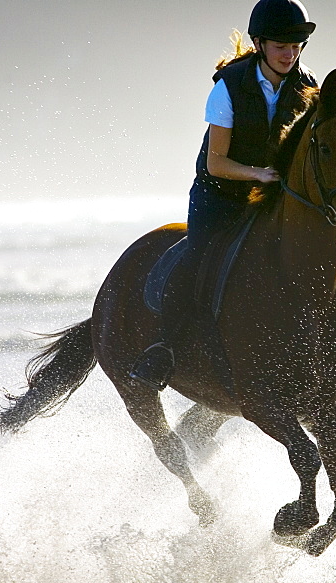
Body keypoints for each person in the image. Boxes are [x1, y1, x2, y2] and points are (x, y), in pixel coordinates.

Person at [130, 0, 318, 391]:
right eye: (281, 45)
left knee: (323, 249)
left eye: (296, 44)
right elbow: (217, 162)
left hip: (272, 197)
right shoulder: (228, 87)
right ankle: (164, 347)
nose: (290, 53)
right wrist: (259, 173)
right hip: (220, 195)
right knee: (198, 259)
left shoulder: (306, 85)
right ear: (259, 43)